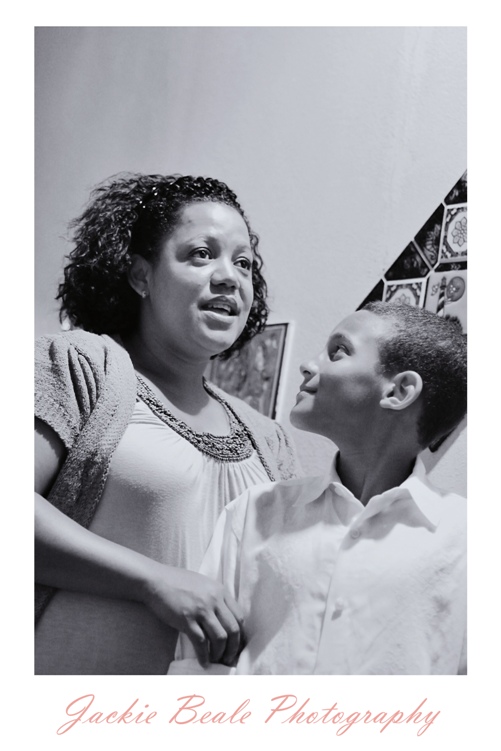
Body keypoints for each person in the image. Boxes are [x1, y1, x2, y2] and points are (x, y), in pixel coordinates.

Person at [35, 173, 299, 675]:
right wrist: (152, 581)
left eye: (244, 263)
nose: (230, 277)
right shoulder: (80, 366)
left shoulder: (269, 438)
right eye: (201, 254)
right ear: (141, 276)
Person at [169, 302, 467, 675]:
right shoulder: (252, 513)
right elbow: (197, 667)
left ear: (399, 390)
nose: (308, 365)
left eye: (338, 351)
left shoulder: (468, 541)